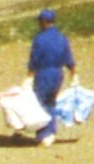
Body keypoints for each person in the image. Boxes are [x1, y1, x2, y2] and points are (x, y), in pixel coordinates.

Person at [27, 8, 77, 146]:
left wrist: (29, 76)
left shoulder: (39, 39)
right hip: (58, 73)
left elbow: (34, 60)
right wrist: (74, 74)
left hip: (44, 73)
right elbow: (68, 58)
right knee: (51, 102)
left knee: (41, 103)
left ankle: (44, 134)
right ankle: (50, 132)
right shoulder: (62, 38)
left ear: (44, 22)